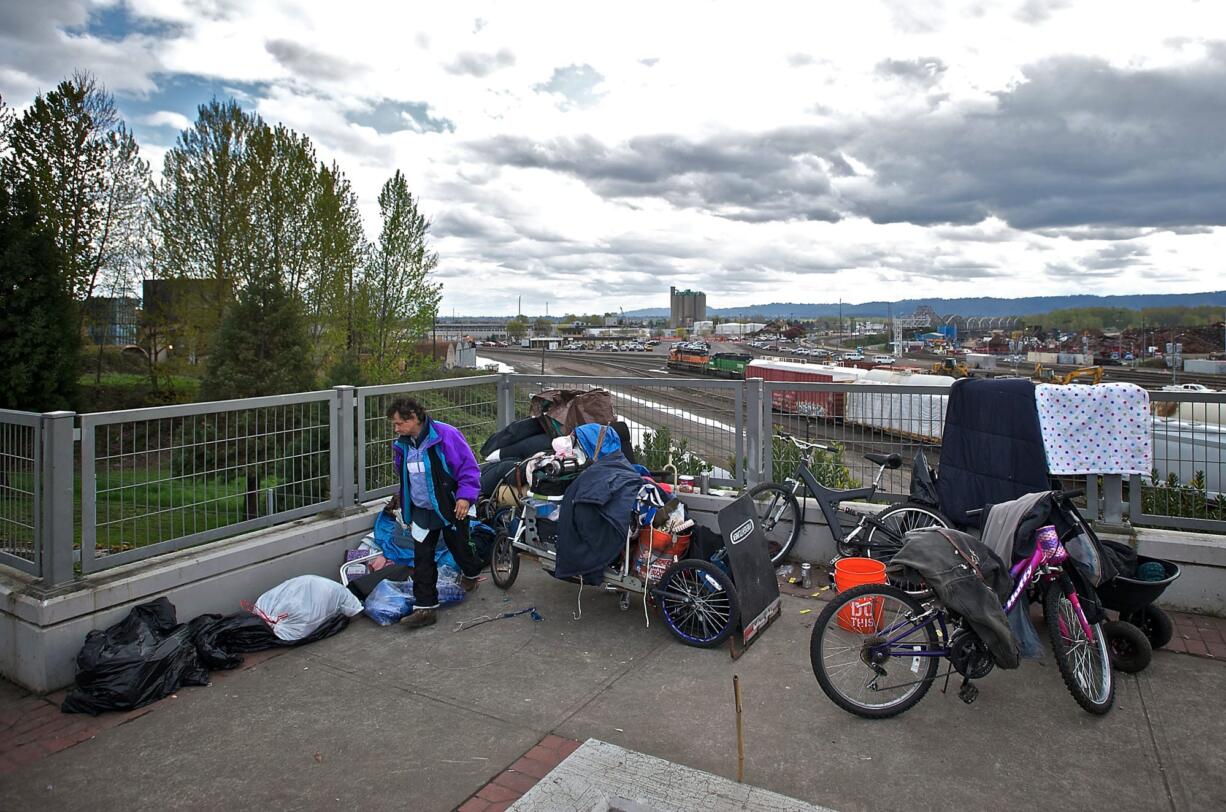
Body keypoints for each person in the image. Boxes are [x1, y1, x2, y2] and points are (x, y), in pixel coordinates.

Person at [385, 397, 483, 629]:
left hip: (450, 508)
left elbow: (468, 468)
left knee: (460, 547)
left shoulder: (446, 435)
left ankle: (471, 572)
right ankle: (425, 607)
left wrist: (465, 497)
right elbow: (405, 476)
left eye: (399, 423)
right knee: (422, 557)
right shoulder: (402, 445)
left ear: (413, 418)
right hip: (422, 511)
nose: (395, 428)